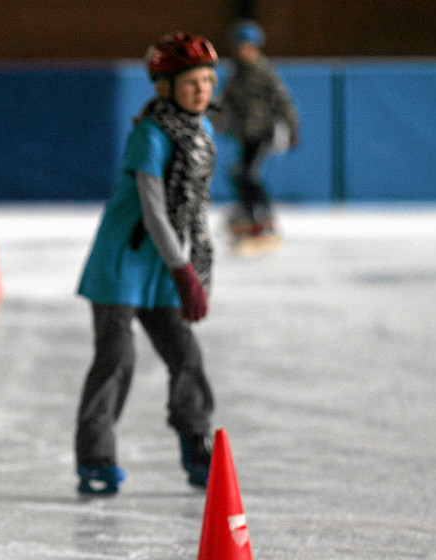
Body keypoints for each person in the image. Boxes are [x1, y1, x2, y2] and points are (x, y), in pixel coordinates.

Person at [72, 32, 219, 496]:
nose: (202, 91)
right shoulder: (150, 135)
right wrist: (184, 271)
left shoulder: (203, 132)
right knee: (117, 359)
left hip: (163, 266)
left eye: (208, 81)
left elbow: (194, 207)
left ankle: (196, 444)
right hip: (124, 263)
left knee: (185, 355)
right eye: (192, 82)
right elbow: (154, 212)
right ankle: (95, 456)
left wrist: (194, 263)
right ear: (163, 87)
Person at [214, 19, 299, 251]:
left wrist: (292, 127)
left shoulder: (263, 71)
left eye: (248, 47)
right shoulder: (236, 73)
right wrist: (216, 121)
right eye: (240, 46)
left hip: (264, 132)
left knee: (247, 173)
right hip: (246, 133)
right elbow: (225, 101)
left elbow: (283, 100)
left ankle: (263, 218)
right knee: (238, 173)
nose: (244, 52)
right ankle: (248, 214)